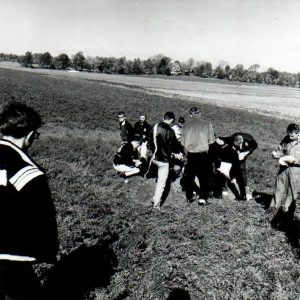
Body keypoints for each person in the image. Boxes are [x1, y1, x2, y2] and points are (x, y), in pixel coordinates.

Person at [0, 102, 58, 299]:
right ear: (31, 135)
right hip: (12, 259)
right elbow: (43, 219)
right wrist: (48, 253)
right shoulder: (29, 172)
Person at [180, 106, 215, 205]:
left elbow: (182, 143)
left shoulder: (185, 126)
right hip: (203, 154)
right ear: (200, 113)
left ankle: (189, 196)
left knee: (190, 176)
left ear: (190, 114)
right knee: (203, 177)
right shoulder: (207, 124)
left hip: (191, 154)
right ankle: (202, 198)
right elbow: (211, 141)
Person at [147, 112, 183, 209]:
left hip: (154, 157)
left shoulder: (155, 126)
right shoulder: (170, 131)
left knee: (157, 178)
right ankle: (156, 205)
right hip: (164, 161)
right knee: (161, 184)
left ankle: (154, 198)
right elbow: (175, 146)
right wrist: (178, 154)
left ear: (163, 117)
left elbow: (149, 141)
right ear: (171, 120)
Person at [217, 132, 257, 199]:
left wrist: (245, 153)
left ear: (241, 142)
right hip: (235, 154)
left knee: (242, 169)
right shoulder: (233, 138)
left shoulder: (249, 139)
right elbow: (225, 139)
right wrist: (218, 139)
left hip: (244, 152)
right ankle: (227, 186)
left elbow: (255, 146)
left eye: (238, 145)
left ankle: (244, 188)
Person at [270, 123, 300, 211]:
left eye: (292, 136)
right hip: (284, 167)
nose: (290, 138)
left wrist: (295, 160)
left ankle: (287, 209)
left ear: (298, 133)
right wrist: (276, 154)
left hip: (296, 169)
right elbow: (281, 149)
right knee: (278, 187)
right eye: (289, 135)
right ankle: (273, 207)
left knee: (292, 190)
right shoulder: (286, 138)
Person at [215, 135, 247, 200]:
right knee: (240, 178)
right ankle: (243, 195)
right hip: (231, 166)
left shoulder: (226, 145)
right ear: (239, 142)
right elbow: (236, 163)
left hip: (223, 165)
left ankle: (219, 194)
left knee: (222, 180)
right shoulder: (235, 150)